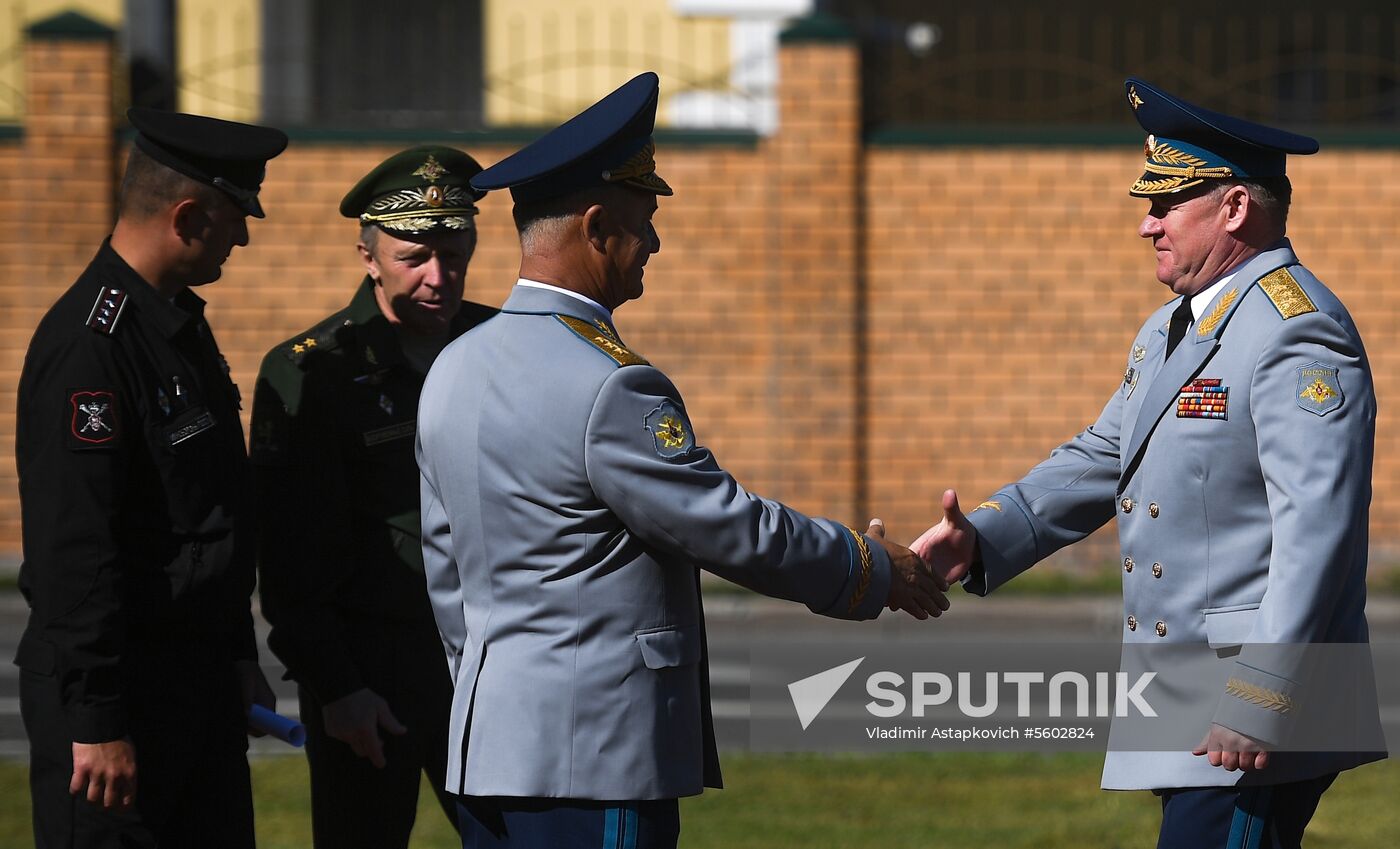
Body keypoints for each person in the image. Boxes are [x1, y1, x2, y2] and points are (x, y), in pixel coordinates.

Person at [416, 72, 947, 849]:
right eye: (645, 219)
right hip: (594, 762)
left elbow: (446, 572)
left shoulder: (453, 366)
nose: (655, 243)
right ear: (596, 227)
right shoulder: (610, 382)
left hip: (489, 752)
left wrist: (499, 697)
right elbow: (727, 526)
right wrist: (867, 567)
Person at [915, 78, 1385, 848]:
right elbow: (1107, 452)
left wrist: (1264, 689)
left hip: (1250, 703)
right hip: (1189, 695)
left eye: (1167, 204)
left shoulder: (1297, 333)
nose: (1147, 225)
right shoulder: (1173, 324)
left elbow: (1316, 531)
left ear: (1234, 207)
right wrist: (987, 534)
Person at [14, 108, 287, 848]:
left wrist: (236, 653)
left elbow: (209, 512)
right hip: (124, 702)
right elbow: (76, 553)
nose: (245, 236)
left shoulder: (176, 328)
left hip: (195, 682)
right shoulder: (90, 349)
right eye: (238, 217)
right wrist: (97, 721)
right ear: (189, 216)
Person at [251, 145, 496, 849]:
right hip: (369, 673)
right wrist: (336, 687)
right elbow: (289, 556)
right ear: (368, 257)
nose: (438, 277)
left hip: (484, 666)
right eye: (414, 257)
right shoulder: (315, 371)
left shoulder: (496, 344)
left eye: (455, 254)